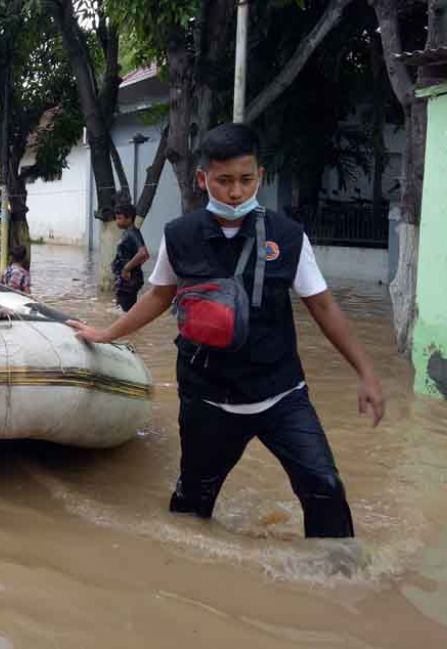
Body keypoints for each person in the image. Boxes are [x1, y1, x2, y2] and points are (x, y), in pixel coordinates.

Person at [69, 123, 385, 539]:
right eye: (224, 180)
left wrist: (366, 372)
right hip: (208, 397)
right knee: (191, 506)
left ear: (260, 176)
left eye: (246, 179)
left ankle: (338, 571)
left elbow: (323, 305)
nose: (236, 191)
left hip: (281, 394)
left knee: (325, 488)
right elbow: (159, 296)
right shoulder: (180, 236)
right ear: (203, 179)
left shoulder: (288, 237)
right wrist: (106, 334)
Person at [111, 202, 149, 312]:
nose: (117, 221)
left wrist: (127, 268)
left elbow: (143, 254)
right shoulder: (128, 232)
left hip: (129, 279)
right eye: (116, 218)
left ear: (129, 218)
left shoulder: (132, 233)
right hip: (126, 279)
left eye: (119, 218)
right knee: (122, 310)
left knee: (126, 312)